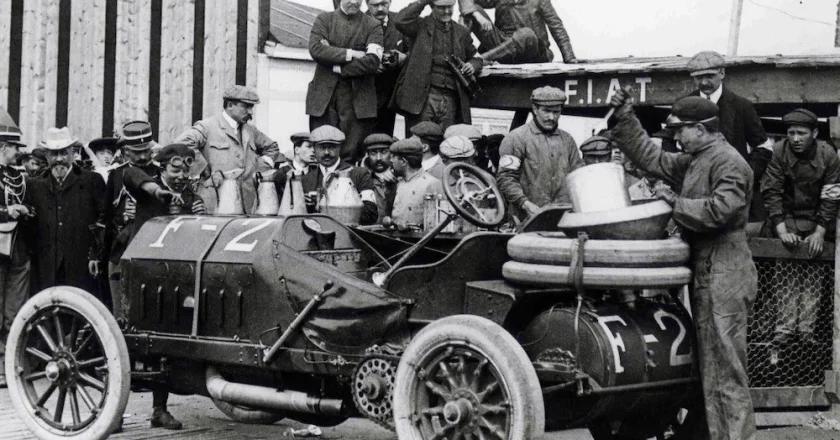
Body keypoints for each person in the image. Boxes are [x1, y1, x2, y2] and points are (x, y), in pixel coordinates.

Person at [610, 88, 757, 440]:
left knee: (726, 372)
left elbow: (722, 211)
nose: (675, 138)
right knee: (713, 369)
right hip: (711, 271)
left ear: (701, 129)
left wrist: (675, 202)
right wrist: (626, 116)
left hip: (726, 271)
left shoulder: (729, 162)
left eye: (680, 131)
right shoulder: (697, 159)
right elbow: (653, 159)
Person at [117, 143, 204, 430]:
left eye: (185, 170)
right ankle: (115, 412)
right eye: (175, 169)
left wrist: (200, 213)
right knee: (128, 344)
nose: (181, 175)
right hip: (141, 274)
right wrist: (159, 193)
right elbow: (131, 176)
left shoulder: (192, 196)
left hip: (174, 277)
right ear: (162, 168)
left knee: (165, 342)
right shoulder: (147, 186)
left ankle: (159, 409)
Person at [762, 109, 840, 345]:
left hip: (818, 221)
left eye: (801, 133)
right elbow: (771, 191)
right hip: (787, 219)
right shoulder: (779, 151)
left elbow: (831, 196)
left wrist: (820, 232)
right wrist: (782, 229)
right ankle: (784, 330)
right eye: (791, 132)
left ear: (814, 133)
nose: (795, 138)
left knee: (814, 274)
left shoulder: (829, 155)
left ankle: (806, 332)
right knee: (785, 273)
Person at [687, 50, 773, 228]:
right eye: (698, 77)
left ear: (722, 73)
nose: (704, 82)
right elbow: (671, 144)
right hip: (697, 193)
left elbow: (764, 147)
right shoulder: (685, 105)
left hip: (734, 193)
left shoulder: (742, 106)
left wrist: (744, 176)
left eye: (709, 76)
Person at [25, 127, 106, 297]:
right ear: (47, 156)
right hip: (45, 268)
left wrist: (95, 255)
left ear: (72, 153)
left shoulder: (92, 181)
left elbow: (103, 220)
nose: (59, 159)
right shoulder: (34, 185)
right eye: (54, 154)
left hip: (82, 266)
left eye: (64, 153)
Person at [176, 85, 281, 214]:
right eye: (246, 106)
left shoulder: (251, 131)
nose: (250, 112)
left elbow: (272, 147)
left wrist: (259, 166)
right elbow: (183, 143)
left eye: (252, 107)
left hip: (247, 205)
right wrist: (203, 169)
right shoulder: (208, 126)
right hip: (216, 202)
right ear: (230, 105)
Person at [307, 0, 384, 162]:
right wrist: (353, 53)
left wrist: (336, 66)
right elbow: (316, 49)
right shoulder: (324, 20)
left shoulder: (373, 25)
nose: (354, 2)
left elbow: (372, 62)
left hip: (357, 101)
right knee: (323, 151)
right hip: (324, 99)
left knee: (350, 155)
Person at [390, 0, 482, 132]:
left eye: (449, 7)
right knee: (418, 144)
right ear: (432, 7)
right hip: (422, 99)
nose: (446, 11)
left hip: (451, 100)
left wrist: (472, 65)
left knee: (446, 144)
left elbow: (477, 57)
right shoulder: (420, 26)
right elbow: (400, 21)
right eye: (441, 8)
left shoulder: (462, 32)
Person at [497, 86, 583, 220]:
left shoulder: (568, 140)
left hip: (562, 219)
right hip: (526, 219)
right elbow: (506, 178)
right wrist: (525, 204)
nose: (552, 117)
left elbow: (578, 177)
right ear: (535, 109)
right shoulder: (516, 138)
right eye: (547, 111)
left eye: (556, 112)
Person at [0, 111, 32, 389]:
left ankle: (9, 363)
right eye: (14, 148)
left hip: (17, 248)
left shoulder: (17, 176)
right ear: (3, 147)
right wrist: (6, 211)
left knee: (16, 308)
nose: (17, 153)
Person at [301, 125, 378, 225]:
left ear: (340, 148)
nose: (326, 152)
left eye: (332, 147)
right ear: (314, 149)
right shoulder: (305, 180)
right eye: (322, 147)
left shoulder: (360, 174)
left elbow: (370, 214)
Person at [458, 0, 576, 64]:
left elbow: (556, 26)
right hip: (505, 50)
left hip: (533, 52)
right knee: (468, 14)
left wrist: (569, 57)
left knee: (526, 34)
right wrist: (477, 15)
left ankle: (481, 59)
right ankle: (460, 57)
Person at [368, 0, 409, 136]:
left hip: (391, 96)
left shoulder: (401, 23)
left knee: (384, 140)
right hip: (363, 95)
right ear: (366, 3)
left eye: (384, 3)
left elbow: (416, 49)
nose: (380, 8)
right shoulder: (358, 22)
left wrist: (404, 57)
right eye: (375, 5)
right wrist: (369, 65)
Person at [385, 138, 444, 228]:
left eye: (393, 157)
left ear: (403, 161)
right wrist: (389, 189)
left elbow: (437, 223)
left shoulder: (432, 184)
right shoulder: (396, 183)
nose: (391, 161)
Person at [363, 133, 397, 224]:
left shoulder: (400, 177)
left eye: (383, 152)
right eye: (373, 153)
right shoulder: (363, 179)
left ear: (392, 154)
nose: (378, 158)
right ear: (367, 155)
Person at [274, 132, 315, 197]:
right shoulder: (282, 173)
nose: (313, 150)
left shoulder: (316, 173)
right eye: (309, 146)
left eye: (314, 147)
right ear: (297, 150)